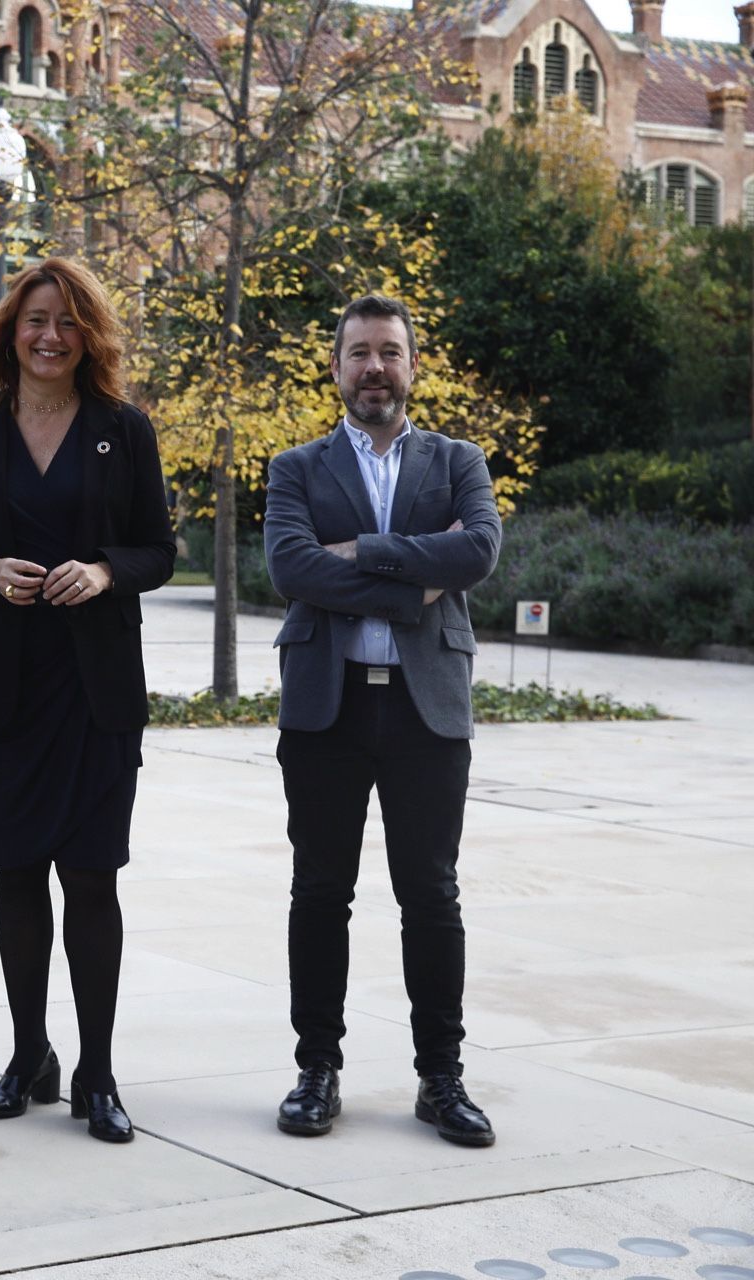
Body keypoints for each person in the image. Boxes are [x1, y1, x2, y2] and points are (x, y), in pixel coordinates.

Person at [0, 258, 175, 1144]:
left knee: (92, 878)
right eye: (34, 321)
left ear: (88, 334)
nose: (50, 336)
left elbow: (158, 552)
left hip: (93, 689)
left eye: (66, 322)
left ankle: (97, 1073)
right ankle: (30, 1055)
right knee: (16, 875)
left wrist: (105, 571)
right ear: (9, 333)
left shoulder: (123, 430)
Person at [263, 293, 503, 1147]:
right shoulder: (296, 467)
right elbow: (292, 569)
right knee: (321, 892)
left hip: (425, 708)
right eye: (359, 352)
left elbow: (476, 551)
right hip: (325, 707)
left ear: (412, 365)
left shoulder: (458, 461)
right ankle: (316, 1070)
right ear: (336, 368)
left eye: (389, 352)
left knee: (430, 897)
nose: (374, 367)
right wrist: (415, 574)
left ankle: (442, 1078)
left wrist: (358, 554)